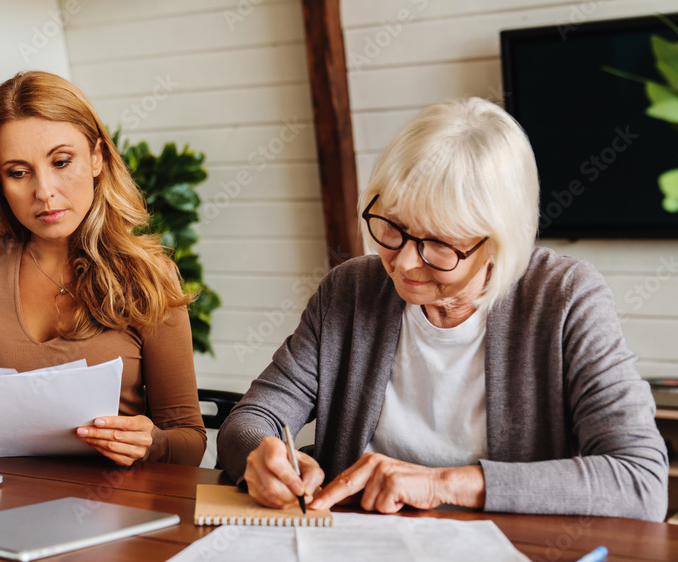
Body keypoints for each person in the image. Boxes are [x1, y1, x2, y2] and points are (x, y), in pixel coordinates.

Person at [216, 97, 668, 520]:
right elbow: (251, 420)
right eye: (391, 227)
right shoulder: (349, 291)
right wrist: (262, 455)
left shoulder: (566, 297)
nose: (405, 262)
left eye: (439, 244)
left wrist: (443, 485)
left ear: (497, 243)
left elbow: (640, 482)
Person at [0, 71, 206, 467]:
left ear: (97, 158)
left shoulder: (148, 275)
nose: (44, 191)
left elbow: (190, 439)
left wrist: (151, 443)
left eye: (62, 162)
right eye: (18, 172)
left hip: (113, 506)